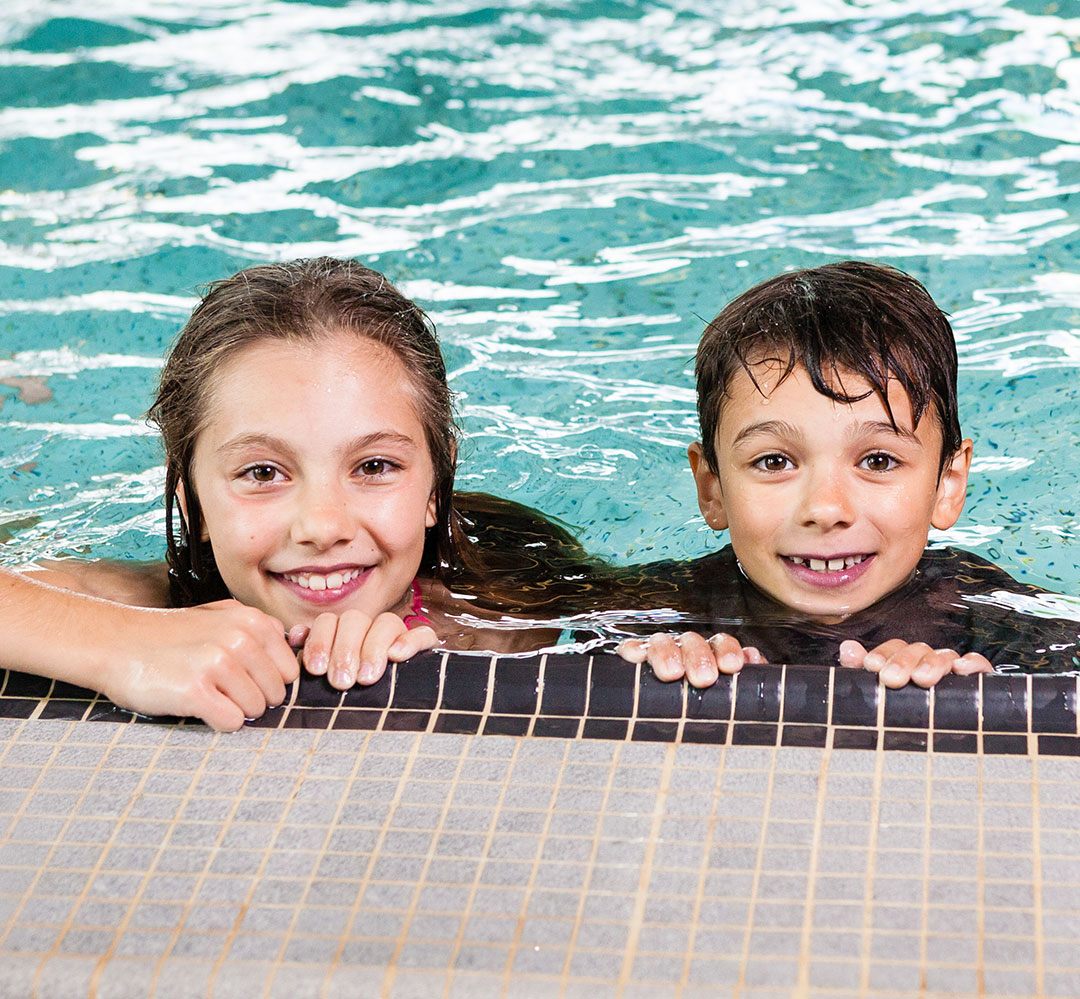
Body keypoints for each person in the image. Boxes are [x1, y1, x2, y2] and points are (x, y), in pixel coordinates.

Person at [2, 258, 599, 730]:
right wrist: (125, 644)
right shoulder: (142, 605)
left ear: (434, 488)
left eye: (374, 465)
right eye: (262, 473)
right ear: (192, 503)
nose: (322, 525)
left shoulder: (515, 610)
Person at [617, 261, 1080, 688]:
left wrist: (1000, 690)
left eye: (878, 461)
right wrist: (649, 662)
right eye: (774, 461)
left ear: (948, 484)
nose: (826, 509)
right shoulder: (659, 609)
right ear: (711, 487)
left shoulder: (999, 621)